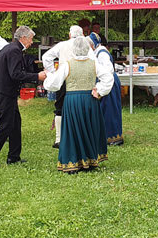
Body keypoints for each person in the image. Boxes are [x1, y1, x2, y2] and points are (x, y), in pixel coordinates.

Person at [0, 26, 47, 168]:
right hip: (5, 92)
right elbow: (15, 74)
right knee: (6, 125)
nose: (31, 42)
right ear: (23, 38)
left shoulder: (9, 48)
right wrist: (37, 76)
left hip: (4, 90)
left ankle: (14, 156)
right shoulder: (14, 50)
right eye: (31, 39)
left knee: (15, 123)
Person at [45, 36, 113, 172]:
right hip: (89, 100)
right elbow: (108, 77)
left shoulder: (67, 65)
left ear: (73, 50)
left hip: (73, 100)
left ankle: (73, 162)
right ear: (87, 49)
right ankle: (90, 160)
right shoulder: (94, 63)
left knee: (73, 130)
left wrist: (48, 75)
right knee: (89, 128)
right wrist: (99, 90)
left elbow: (54, 84)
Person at [42, 26, 85, 148]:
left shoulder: (62, 45)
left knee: (60, 107)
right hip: (81, 79)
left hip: (64, 78)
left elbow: (46, 57)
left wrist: (53, 73)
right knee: (79, 106)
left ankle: (59, 139)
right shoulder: (85, 45)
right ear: (82, 34)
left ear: (69, 35)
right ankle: (78, 138)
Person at [89, 32, 122, 145]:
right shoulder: (98, 52)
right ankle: (106, 136)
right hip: (106, 81)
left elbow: (108, 70)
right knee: (105, 109)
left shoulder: (102, 53)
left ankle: (113, 137)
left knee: (110, 110)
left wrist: (101, 87)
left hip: (109, 82)